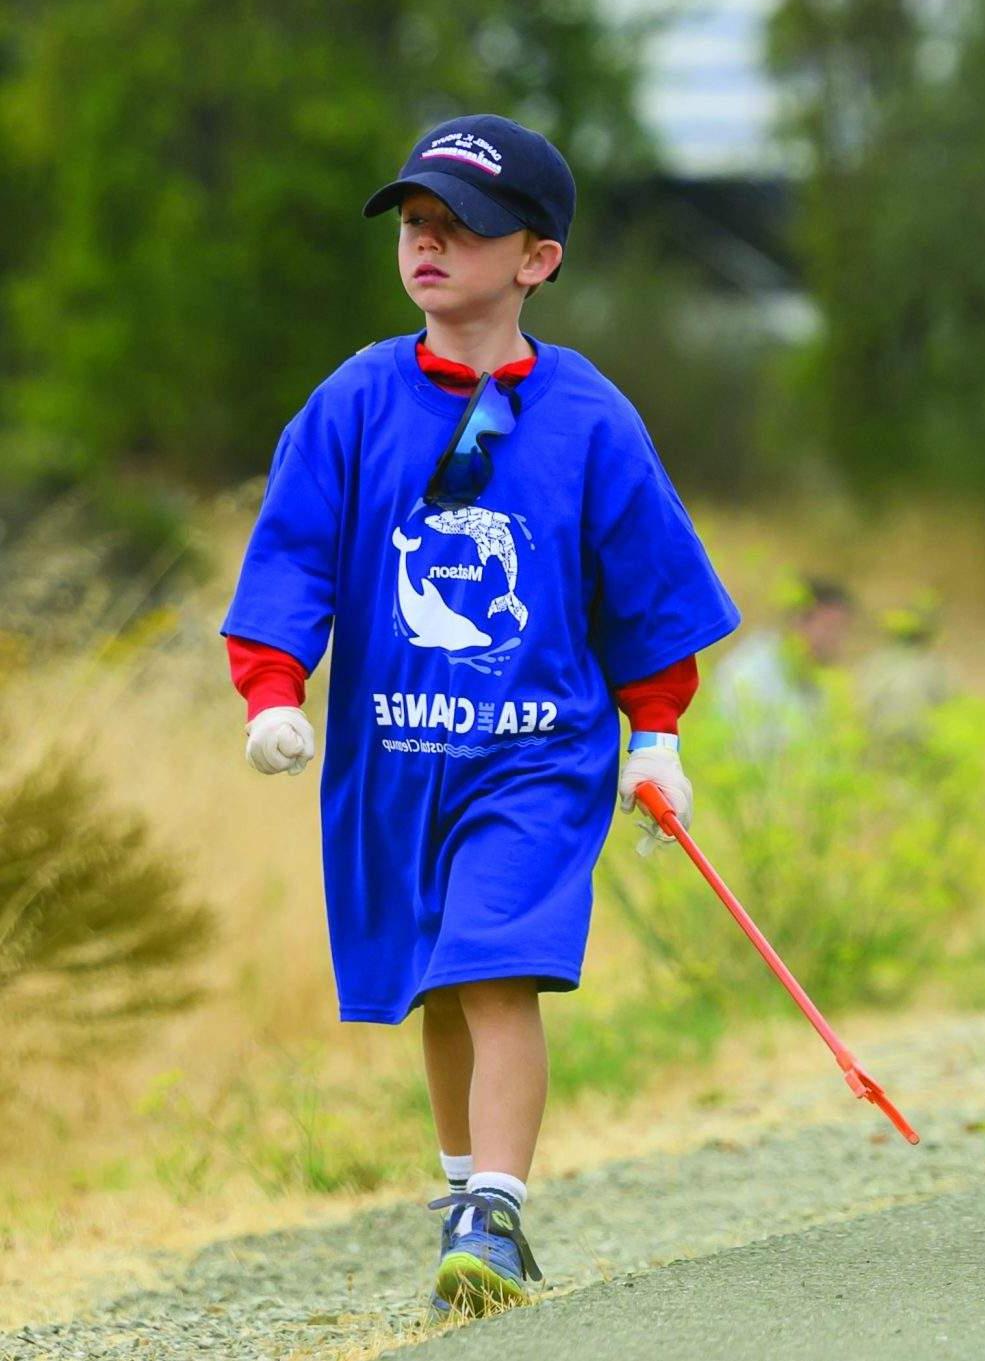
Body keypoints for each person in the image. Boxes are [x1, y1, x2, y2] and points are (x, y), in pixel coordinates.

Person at [222, 115, 739, 1314]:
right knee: (438, 981)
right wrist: (272, 690)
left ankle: (496, 1209)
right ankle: (462, 1189)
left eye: (463, 227)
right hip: (397, 757)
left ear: (537, 258)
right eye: (415, 223)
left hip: (537, 761)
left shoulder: (592, 417)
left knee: (496, 965)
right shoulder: (352, 401)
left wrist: (655, 740)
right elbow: (291, 558)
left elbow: (650, 593)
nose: (429, 244)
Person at [707, 575, 857, 743]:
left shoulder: (815, 680)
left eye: (843, 631)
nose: (836, 640)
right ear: (798, 620)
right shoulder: (748, 672)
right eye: (829, 628)